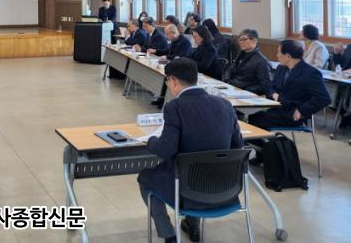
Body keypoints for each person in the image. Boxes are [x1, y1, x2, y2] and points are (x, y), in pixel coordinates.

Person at [138, 58, 243, 243]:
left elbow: (166, 150)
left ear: (173, 81)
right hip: (224, 188)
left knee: (145, 178)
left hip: (188, 189)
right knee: (197, 167)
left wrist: (151, 141)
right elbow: (238, 145)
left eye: (167, 81)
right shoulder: (225, 104)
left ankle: (169, 235)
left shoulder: (175, 107)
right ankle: (192, 224)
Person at [249, 40, 331, 131]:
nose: (277, 55)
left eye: (279, 52)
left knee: (256, 119)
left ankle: (268, 139)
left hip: (292, 114)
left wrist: (302, 111)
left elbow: (324, 99)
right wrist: (273, 94)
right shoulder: (281, 68)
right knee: (252, 115)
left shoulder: (311, 73)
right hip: (276, 109)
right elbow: (271, 86)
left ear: (288, 56)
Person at [225, 29, 271, 95]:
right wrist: (226, 79)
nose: (241, 42)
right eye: (240, 40)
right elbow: (231, 69)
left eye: (244, 39)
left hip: (245, 92)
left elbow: (265, 85)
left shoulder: (261, 61)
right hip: (233, 87)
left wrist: (246, 90)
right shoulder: (241, 54)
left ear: (254, 40)